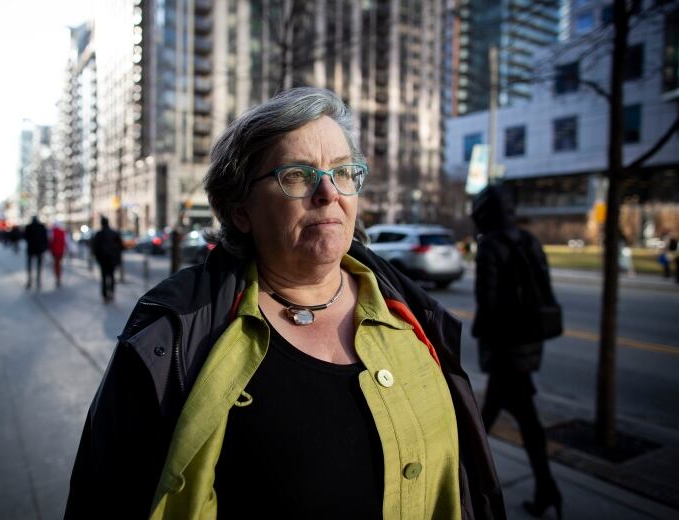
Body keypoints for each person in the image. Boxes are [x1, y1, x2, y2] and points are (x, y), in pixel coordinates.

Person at [65, 88, 504, 519]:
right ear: (241, 210)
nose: (328, 192)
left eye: (343, 172)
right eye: (297, 175)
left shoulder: (411, 313)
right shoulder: (170, 335)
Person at [471, 185, 562, 519]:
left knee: (484, 420)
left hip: (505, 347)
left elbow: (488, 303)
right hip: (529, 341)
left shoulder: (491, 246)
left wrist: (481, 333)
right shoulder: (529, 240)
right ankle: (546, 488)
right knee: (512, 415)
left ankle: (467, 480)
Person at [91, 216, 123, 302]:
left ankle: (105, 296)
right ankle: (111, 293)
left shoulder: (99, 234)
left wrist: (97, 258)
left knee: (104, 278)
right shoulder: (114, 233)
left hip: (103, 260)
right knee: (112, 276)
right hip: (112, 259)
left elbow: (95, 248)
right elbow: (120, 247)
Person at [24, 216, 48, 289]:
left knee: (30, 265)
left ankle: (30, 280)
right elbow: (45, 238)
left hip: (31, 249)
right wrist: (44, 248)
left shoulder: (28, 227)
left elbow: (26, 237)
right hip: (39, 249)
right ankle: (38, 280)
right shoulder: (41, 227)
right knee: (39, 265)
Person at [49, 221, 68, 287]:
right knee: (59, 264)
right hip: (61, 251)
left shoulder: (52, 232)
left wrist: (50, 250)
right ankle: (59, 277)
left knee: (56, 264)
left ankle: (58, 277)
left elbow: (50, 241)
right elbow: (65, 242)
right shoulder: (63, 232)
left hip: (55, 252)